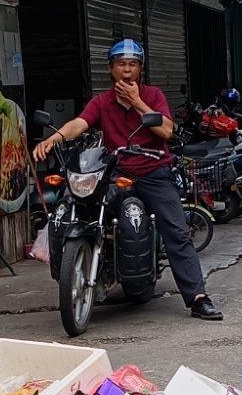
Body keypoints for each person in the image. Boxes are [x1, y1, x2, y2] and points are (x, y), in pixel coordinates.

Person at [32, 39, 223, 321]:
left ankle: (197, 296)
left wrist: (136, 102)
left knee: (176, 230)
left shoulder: (153, 96)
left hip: (154, 171)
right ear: (111, 69)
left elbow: (166, 131)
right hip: (117, 173)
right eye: (121, 64)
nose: (127, 70)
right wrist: (54, 138)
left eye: (133, 65)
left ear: (140, 70)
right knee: (82, 209)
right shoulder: (102, 102)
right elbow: (80, 123)